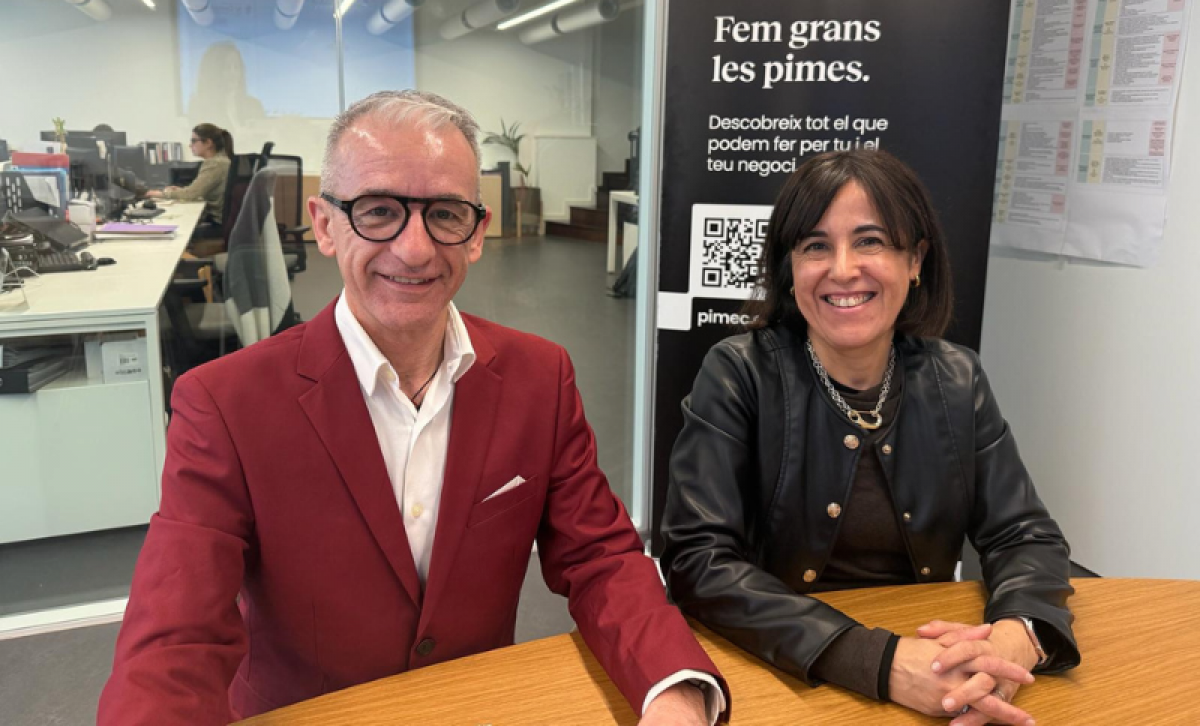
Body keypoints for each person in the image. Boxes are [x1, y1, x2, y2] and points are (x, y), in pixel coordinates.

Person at [98, 90, 728, 725]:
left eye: (446, 214)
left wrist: (673, 692)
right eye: (378, 211)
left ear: (476, 232)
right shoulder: (225, 403)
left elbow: (602, 559)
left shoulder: (540, 378)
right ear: (324, 225)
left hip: (473, 712)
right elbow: (175, 638)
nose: (416, 249)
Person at [660, 149, 1079, 726]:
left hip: (935, 664)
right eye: (815, 246)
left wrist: (1013, 640)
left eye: (870, 241)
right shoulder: (739, 373)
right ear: (789, 269)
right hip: (784, 670)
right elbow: (697, 560)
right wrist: (881, 663)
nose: (842, 269)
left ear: (916, 260)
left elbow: (1025, 534)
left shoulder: (957, 378)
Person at [144, 123, 233, 225]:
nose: (190, 145)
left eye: (194, 141)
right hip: (215, 219)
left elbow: (191, 194)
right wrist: (180, 191)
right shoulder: (220, 161)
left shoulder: (215, 163)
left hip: (214, 222)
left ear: (208, 143)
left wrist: (160, 194)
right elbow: (195, 192)